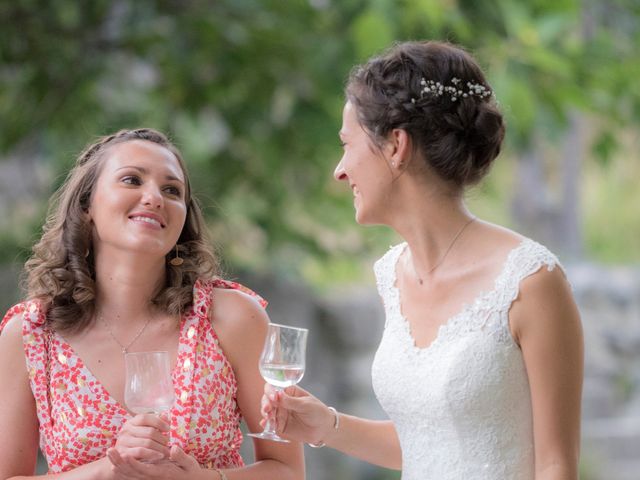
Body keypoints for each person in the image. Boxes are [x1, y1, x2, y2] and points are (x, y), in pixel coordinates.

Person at [261, 41, 584, 479]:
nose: (339, 170)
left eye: (347, 144)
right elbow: (430, 442)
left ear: (396, 145)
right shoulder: (391, 275)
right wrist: (327, 425)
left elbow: (555, 466)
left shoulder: (530, 281)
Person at [0, 128, 304, 479]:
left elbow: (287, 471)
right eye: (132, 180)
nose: (154, 197)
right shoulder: (31, 334)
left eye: (172, 190)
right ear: (86, 207)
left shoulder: (232, 317)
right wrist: (106, 471)